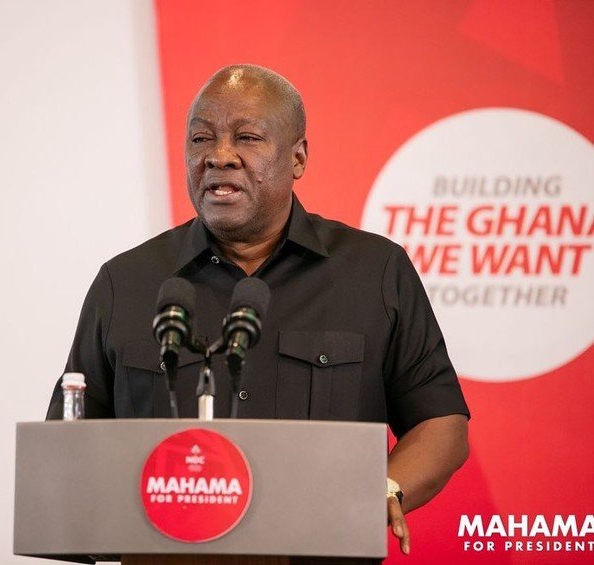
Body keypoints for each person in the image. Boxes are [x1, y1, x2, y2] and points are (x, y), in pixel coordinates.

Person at [47, 64, 469, 558]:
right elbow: (70, 448)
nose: (219, 156)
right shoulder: (126, 282)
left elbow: (441, 424)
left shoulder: (374, 271)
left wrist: (383, 490)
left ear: (298, 158)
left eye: (246, 137)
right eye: (201, 139)